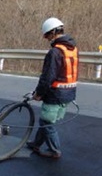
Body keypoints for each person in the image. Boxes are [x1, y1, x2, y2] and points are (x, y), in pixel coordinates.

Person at [26, 17, 79, 159]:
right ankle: (36, 144)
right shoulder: (73, 49)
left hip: (55, 94)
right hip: (68, 93)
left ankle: (54, 150)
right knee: (46, 121)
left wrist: (38, 94)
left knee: (46, 123)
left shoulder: (55, 52)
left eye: (47, 35)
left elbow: (47, 77)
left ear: (53, 32)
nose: (47, 38)